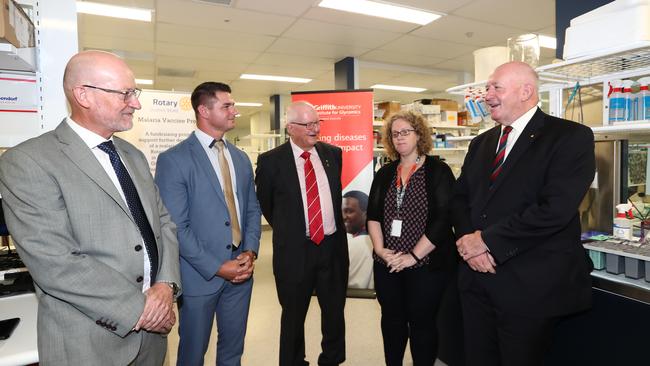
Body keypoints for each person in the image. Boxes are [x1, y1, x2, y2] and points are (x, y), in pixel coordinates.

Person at [0, 50, 181, 365]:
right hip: (90, 343)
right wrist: (143, 311)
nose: (135, 103)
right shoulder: (28, 162)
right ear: (82, 94)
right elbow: (55, 262)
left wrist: (165, 287)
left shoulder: (132, 156)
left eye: (134, 93)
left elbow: (163, 224)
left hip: (153, 339)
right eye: (125, 93)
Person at [451, 61, 595, 366]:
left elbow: (554, 210)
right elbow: (460, 197)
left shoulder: (570, 137)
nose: (487, 94)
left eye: (495, 87)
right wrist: (468, 242)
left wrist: (486, 242)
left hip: (528, 286)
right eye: (488, 87)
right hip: (476, 281)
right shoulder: (481, 143)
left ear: (526, 91)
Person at [155, 82, 261, 366]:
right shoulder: (174, 160)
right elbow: (175, 226)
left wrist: (250, 251)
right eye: (227, 106)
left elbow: (251, 207)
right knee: (192, 353)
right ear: (204, 110)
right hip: (199, 275)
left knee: (232, 351)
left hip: (241, 270)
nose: (234, 111)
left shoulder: (239, 158)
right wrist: (217, 266)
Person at [255, 101, 348, 366]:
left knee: (334, 313)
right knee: (293, 315)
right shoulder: (271, 162)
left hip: (331, 248)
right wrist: (293, 230)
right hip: (295, 252)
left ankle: (332, 359)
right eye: (308, 125)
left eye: (317, 123)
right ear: (290, 128)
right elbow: (268, 206)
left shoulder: (333, 154)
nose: (315, 129)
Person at [367, 110, 456, 366]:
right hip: (388, 263)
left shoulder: (438, 171)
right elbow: (372, 215)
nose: (400, 138)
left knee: (422, 323)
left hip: (426, 264)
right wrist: (381, 250)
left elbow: (443, 220)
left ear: (419, 135)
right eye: (395, 134)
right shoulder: (385, 173)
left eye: (406, 132)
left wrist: (413, 256)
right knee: (392, 321)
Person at [342, 190, 374, 289]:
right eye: (342, 211)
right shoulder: (378, 242)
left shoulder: (354, 244)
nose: (343, 216)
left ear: (365, 213)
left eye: (349, 211)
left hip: (352, 301)